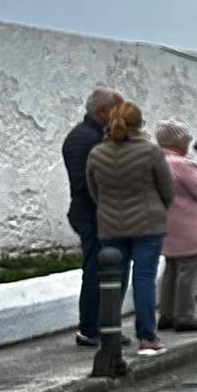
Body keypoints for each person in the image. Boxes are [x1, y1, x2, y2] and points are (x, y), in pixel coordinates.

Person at [85, 101, 174, 355]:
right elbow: (167, 189)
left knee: (114, 281)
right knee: (144, 278)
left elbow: (94, 192)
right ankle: (147, 336)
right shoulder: (150, 152)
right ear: (139, 124)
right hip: (148, 222)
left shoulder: (97, 153)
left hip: (111, 224)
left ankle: (109, 333)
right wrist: (158, 208)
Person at [63, 87, 122, 347]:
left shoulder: (95, 135)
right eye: (116, 110)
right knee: (96, 272)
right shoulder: (84, 138)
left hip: (102, 214)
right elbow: (84, 184)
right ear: (101, 111)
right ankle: (91, 328)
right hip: (92, 216)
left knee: (104, 272)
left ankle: (104, 326)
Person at [155, 121, 197, 334]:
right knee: (188, 270)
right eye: (186, 139)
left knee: (171, 269)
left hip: (167, 222)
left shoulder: (157, 161)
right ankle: (185, 314)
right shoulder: (182, 164)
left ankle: (167, 313)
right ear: (178, 141)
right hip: (189, 224)